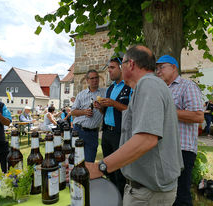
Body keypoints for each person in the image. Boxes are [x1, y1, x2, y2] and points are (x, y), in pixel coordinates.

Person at [86, 46, 183, 206]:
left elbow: (146, 139)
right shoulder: (147, 86)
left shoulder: (148, 84)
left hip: (148, 193)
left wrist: (100, 167)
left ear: (130, 64)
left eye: (121, 63)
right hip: (146, 189)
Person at [156, 55, 204, 206]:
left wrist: (167, 110)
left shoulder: (187, 86)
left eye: (162, 67)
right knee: (166, 194)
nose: (158, 71)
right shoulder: (162, 89)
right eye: (156, 68)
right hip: (163, 148)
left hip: (182, 149)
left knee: (180, 195)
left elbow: (198, 116)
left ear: (174, 67)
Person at [98, 57, 132, 196]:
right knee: (108, 166)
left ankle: (121, 197)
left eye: (112, 68)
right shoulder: (111, 88)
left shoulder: (129, 86)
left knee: (120, 169)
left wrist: (113, 103)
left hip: (120, 133)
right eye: (108, 68)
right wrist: (101, 107)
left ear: (121, 68)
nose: (109, 71)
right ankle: (112, 194)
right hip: (107, 132)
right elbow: (106, 111)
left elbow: (131, 110)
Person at [71, 70, 106, 162]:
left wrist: (100, 108)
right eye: (92, 78)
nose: (95, 80)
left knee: (89, 161)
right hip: (78, 131)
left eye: (96, 77)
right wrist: (84, 112)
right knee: (75, 160)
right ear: (87, 80)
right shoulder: (81, 95)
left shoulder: (105, 93)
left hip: (93, 133)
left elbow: (106, 112)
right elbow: (72, 112)